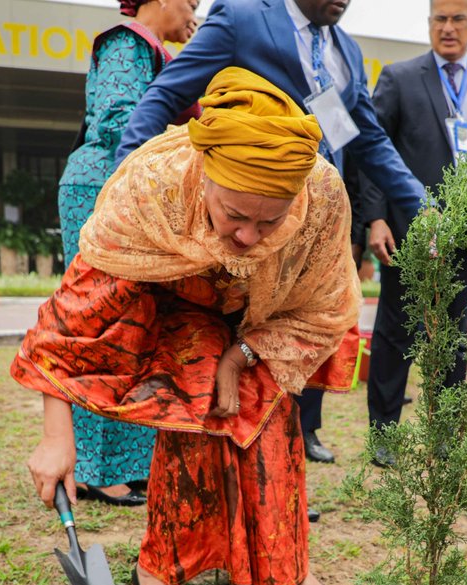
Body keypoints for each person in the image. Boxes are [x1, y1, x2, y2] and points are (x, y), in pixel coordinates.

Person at [16, 68, 359, 585]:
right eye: (235, 216)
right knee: (196, 401)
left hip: (265, 319)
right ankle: (163, 564)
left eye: (269, 222)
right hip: (171, 301)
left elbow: (323, 306)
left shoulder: (321, 198)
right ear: (205, 178)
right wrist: (57, 437)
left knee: (269, 418)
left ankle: (284, 564)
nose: (249, 237)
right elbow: (74, 316)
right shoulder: (152, 186)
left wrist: (240, 356)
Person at [115, 0, 426, 468]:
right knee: (236, 360)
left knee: (299, 334)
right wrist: (129, 180)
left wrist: (424, 205)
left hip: (310, 230)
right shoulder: (243, 19)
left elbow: (365, 138)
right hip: (244, 229)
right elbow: (166, 94)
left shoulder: (345, 51)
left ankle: (296, 443)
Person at [360, 0, 467, 466]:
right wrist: (376, 217)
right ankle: (385, 436)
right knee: (395, 333)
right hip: (409, 230)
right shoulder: (399, 77)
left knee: (453, 336)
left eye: (458, 19)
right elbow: (373, 150)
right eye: (440, 19)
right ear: (429, 23)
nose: (448, 28)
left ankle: (445, 436)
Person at [58, 0, 200, 508]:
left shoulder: (160, 52)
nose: (197, 9)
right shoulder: (126, 41)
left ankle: (129, 463)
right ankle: (93, 467)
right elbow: (119, 120)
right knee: (102, 322)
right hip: (104, 187)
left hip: (137, 192)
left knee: (140, 323)